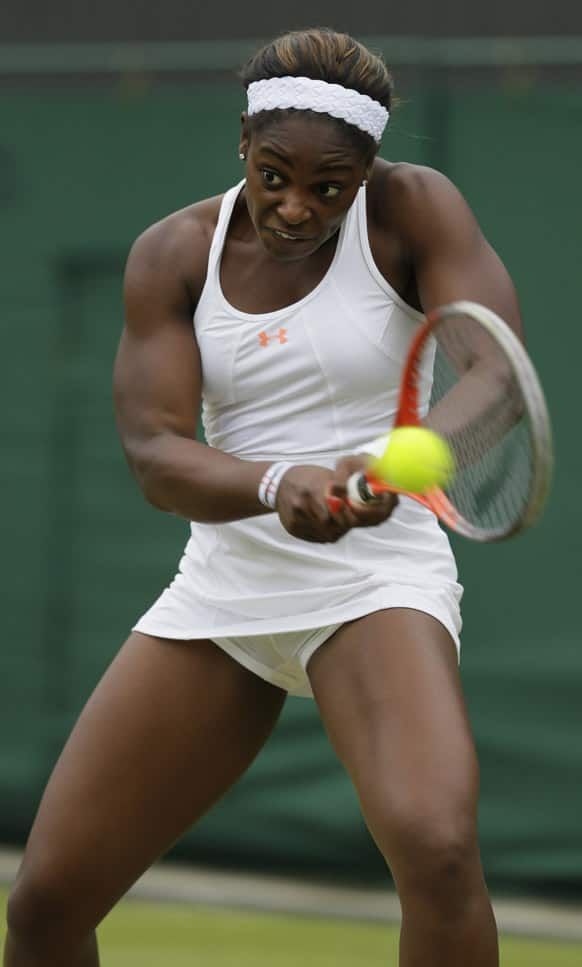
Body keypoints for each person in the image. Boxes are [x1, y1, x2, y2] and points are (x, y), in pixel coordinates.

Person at [3, 27, 523, 967]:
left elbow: (495, 375)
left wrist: (399, 459)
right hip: (226, 592)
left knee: (439, 853)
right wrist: (280, 483)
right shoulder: (172, 254)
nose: (295, 206)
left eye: (330, 188)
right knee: (45, 902)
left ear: (368, 171)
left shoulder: (416, 207)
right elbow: (157, 456)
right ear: (242, 140)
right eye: (273, 173)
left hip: (377, 578)